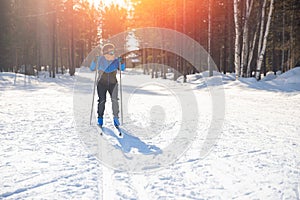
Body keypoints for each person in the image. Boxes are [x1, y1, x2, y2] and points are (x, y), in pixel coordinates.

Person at [90, 43, 125, 127]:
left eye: (112, 52)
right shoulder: (100, 59)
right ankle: (100, 118)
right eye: (109, 52)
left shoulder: (116, 60)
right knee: (102, 100)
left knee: (115, 100)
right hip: (101, 83)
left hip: (113, 84)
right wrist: (95, 61)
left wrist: (122, 62)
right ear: (104, 53)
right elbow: (92, 68)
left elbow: (122, 69)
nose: (111, 55)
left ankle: (116, 118)